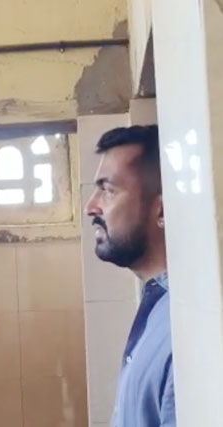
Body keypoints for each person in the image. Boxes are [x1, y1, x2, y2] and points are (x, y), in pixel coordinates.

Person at [85, 125, 175, 426]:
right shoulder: (158, 305)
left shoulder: (185, 326)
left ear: (161, 210)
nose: (90, 207)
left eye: (108, 190)